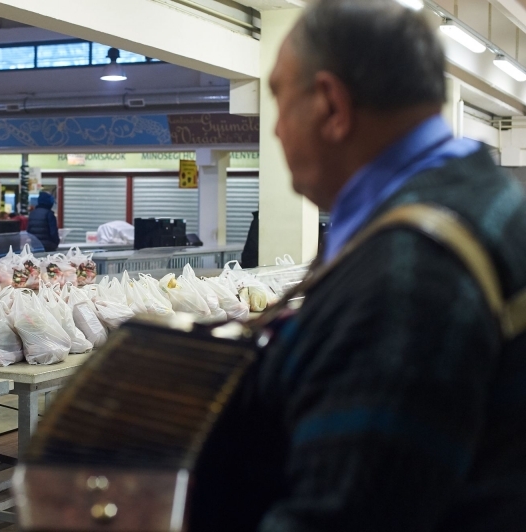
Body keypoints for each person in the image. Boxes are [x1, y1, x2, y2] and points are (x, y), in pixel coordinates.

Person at [196, 2, 526, 531]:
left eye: (279, 98)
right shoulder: (483, 201)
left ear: (331, 106)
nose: (275, 130)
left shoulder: (408, 279)